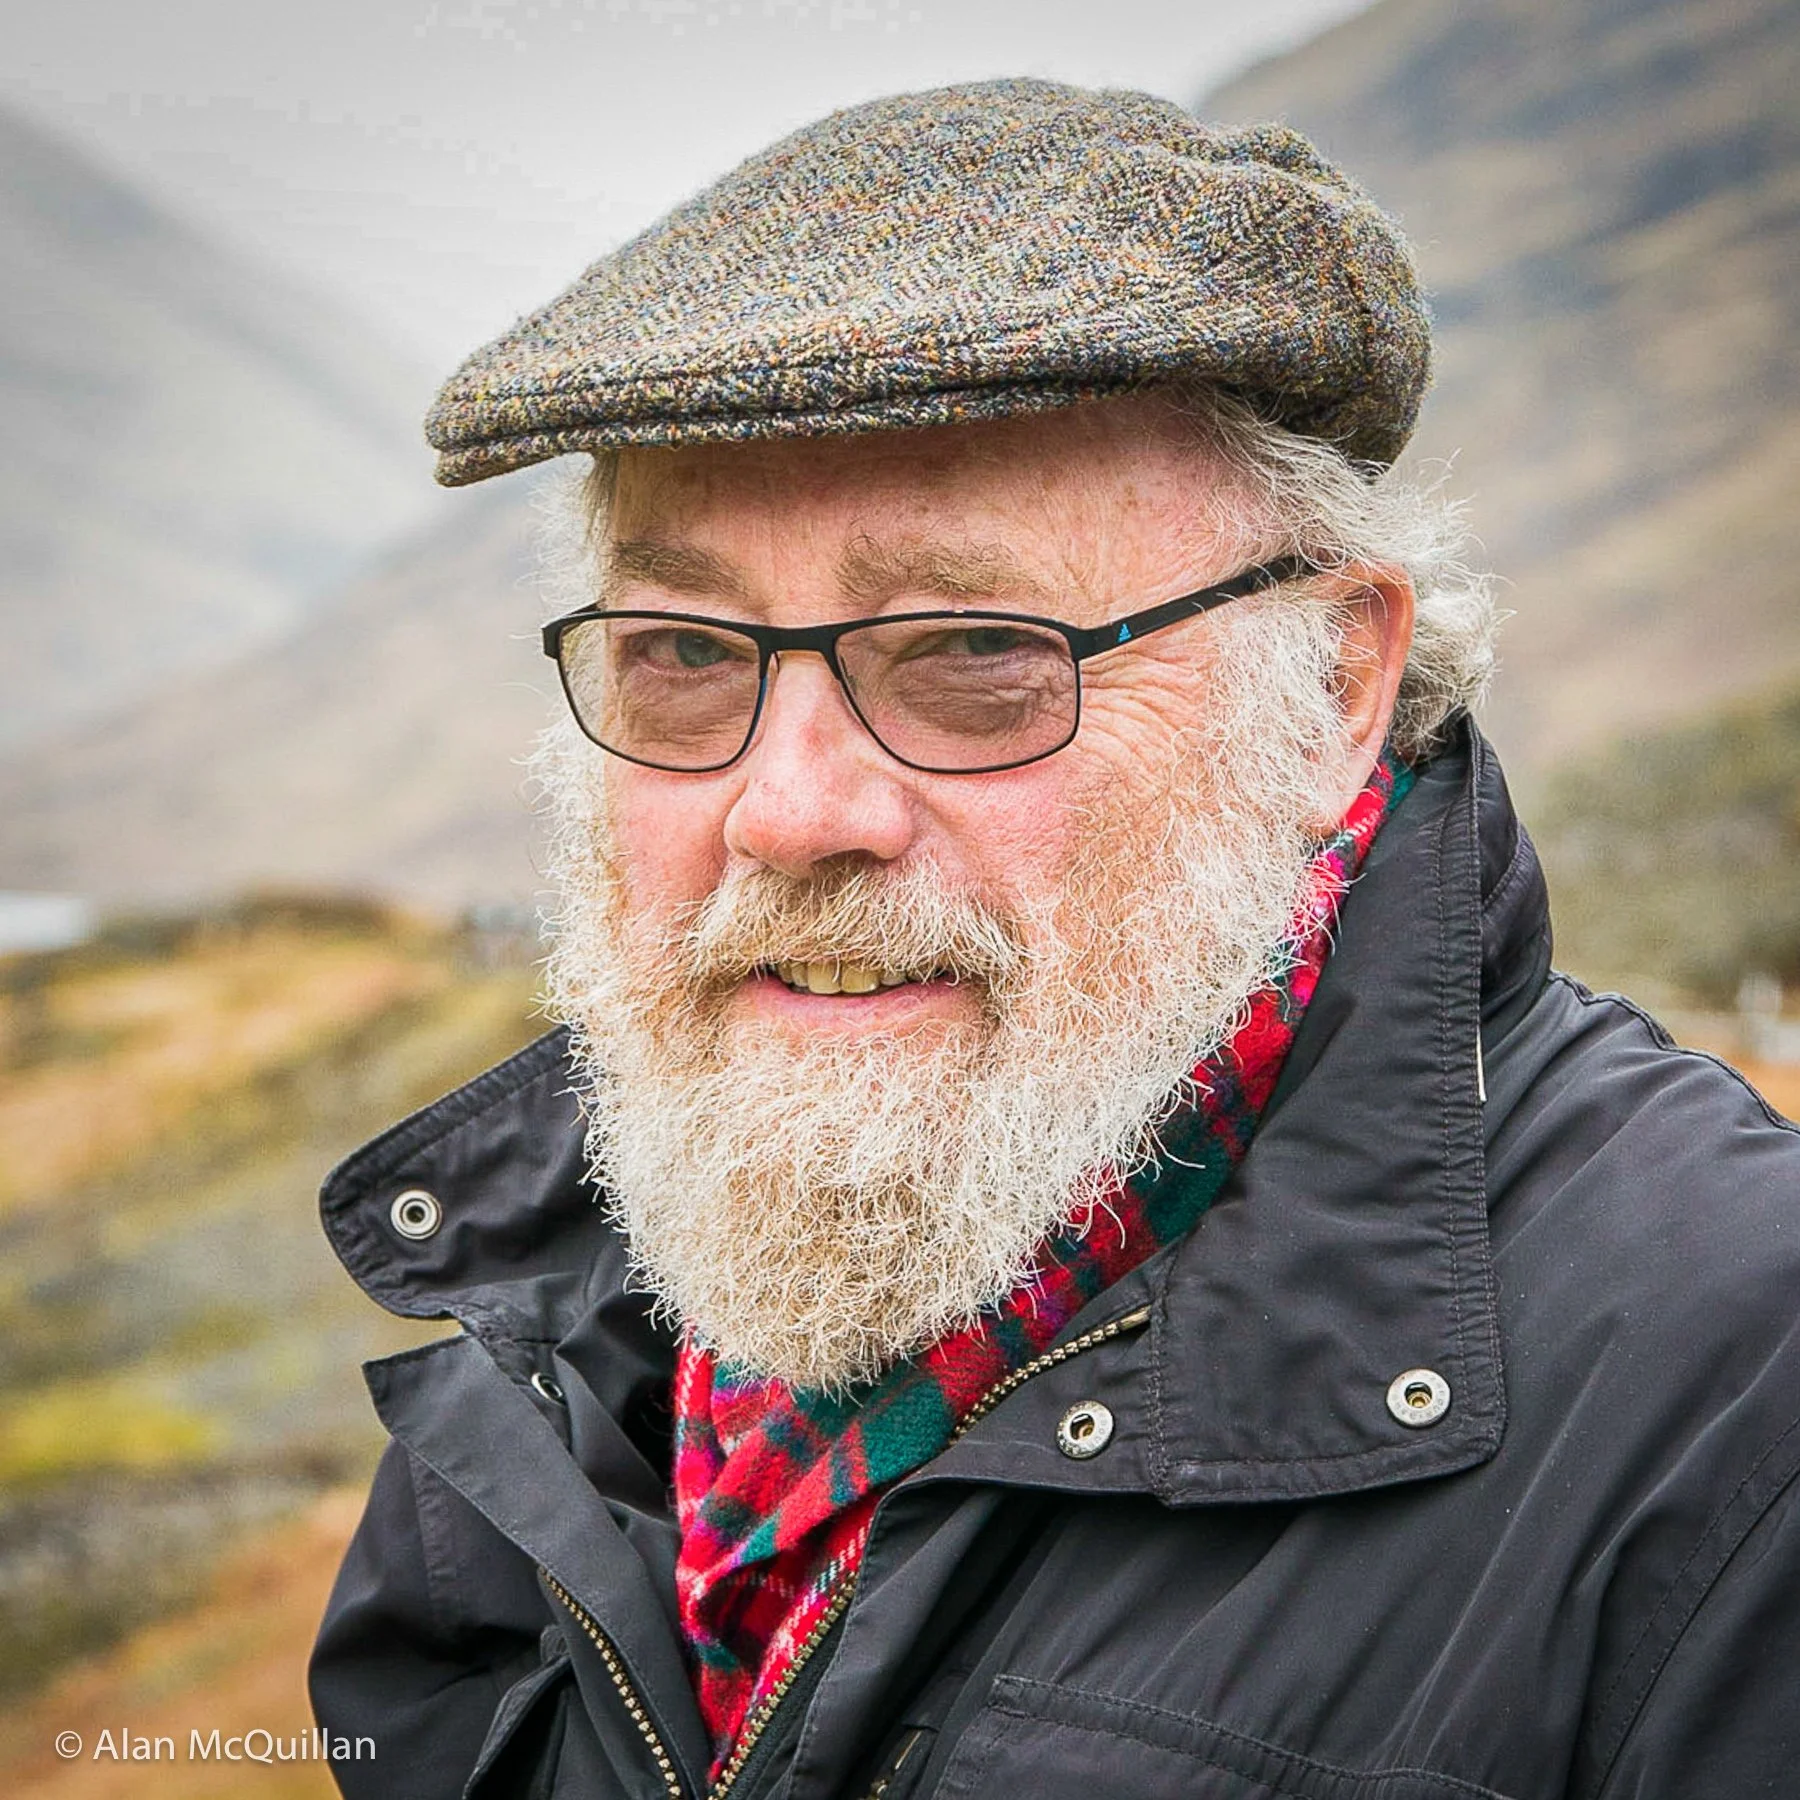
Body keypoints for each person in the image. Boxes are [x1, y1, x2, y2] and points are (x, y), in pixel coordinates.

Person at [308, 80, 1800, 1799]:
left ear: (1332, 687)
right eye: (687, 655)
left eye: (975, 653)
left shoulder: (1740, 1403)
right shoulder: (564, 1351)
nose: (789, 811)